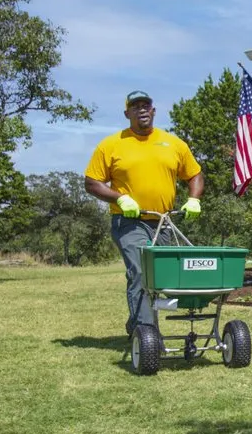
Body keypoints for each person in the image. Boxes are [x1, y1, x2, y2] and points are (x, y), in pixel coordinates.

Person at [84, 90, 205, 336]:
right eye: (135, 106)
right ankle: (147, 332)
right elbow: (91, 182)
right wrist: (120, 198)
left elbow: (194, 174)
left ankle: (137, 325)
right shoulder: (111, 145)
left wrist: (193, 199)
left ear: (153, 111)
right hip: (129, 222)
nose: (141, 109)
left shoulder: (173, 143)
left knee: (163, 277)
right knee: (140, 271)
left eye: (146, 105)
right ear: (127, 112)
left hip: (164, 222)